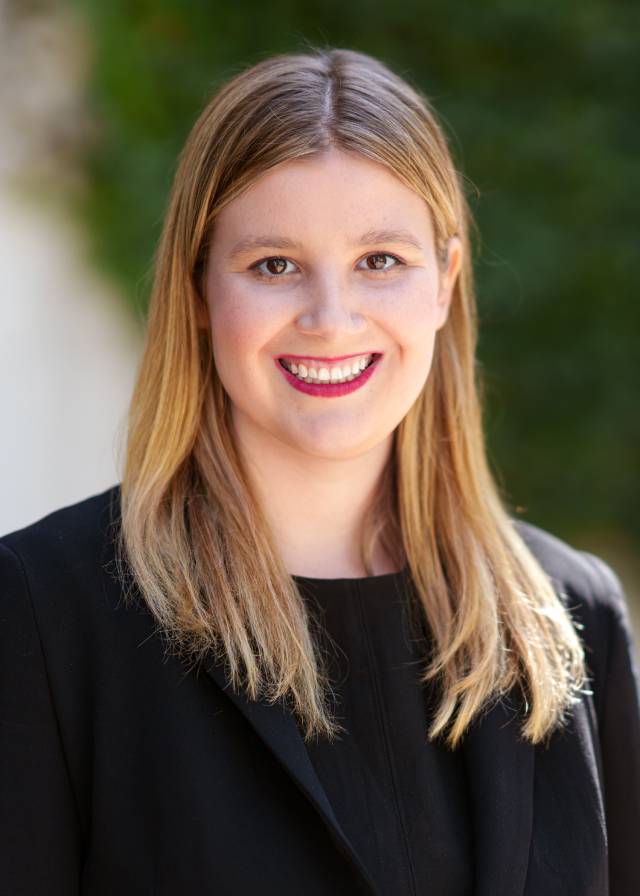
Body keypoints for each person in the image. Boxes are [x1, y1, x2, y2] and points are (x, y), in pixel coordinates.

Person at [1, 46, 639, 896]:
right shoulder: (45, 612)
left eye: (381, 261)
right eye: (274, 265)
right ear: (197, 290)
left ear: (445, 282)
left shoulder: (572, 613)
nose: (332, 321)